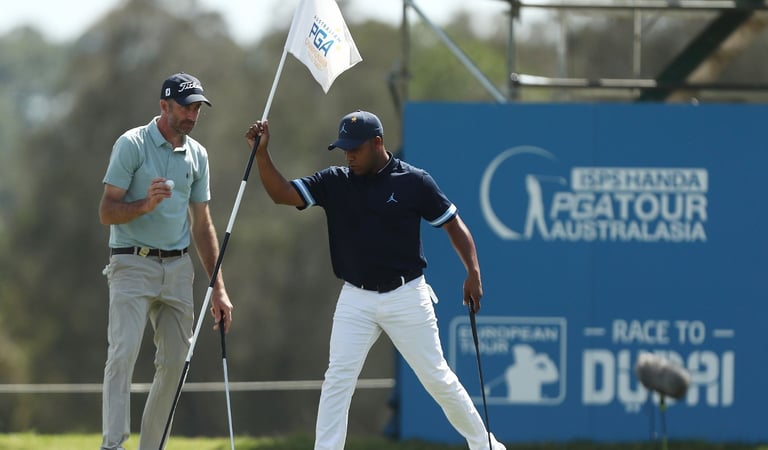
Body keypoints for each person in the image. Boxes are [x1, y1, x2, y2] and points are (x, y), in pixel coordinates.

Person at [244, 110, 505, 450]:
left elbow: (453, 224)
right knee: (337, 380)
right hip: (356, 298)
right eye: (343, 148)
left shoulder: (413, 181)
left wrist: (473, 272)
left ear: (377, 143)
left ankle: (487, 446)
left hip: (407, 294)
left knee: (437, 378)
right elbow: (282, 193)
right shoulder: (335, 181)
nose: (348, 155)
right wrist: (262, 152)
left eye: (355, 148)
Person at [98, 72, 233, 450]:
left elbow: (202, 224)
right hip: (131, 264)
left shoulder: (198, 155)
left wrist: (218, 289)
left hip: (177, 270)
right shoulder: (132, 144)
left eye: (197, 109)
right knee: (122, 354)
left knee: (175, 364)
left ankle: (152, 447)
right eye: (186, 108)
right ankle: (113, 445)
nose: (192, 115)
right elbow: (107, 211)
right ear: (164, 106)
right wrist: (145, 204)